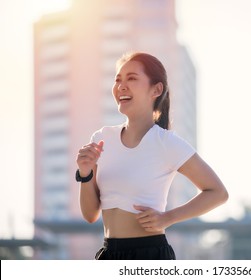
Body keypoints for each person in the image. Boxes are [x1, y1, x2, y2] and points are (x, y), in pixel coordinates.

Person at [76, 52, 228, 260]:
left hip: (150, 254)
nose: (121, 85)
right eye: (118, 79)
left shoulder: (166, 143)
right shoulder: (102, 138)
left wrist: (168, 218)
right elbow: (90, 214)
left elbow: (218, 192)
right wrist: (85, 173)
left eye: (132, 78)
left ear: (156, 89)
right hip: (109, 254)